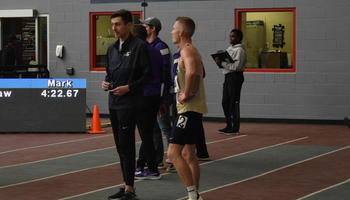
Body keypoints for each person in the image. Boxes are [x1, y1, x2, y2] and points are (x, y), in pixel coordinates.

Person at [101, 9, 153, 200]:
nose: (114, 28)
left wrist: (128, 88)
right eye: (112, 24)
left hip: (130, 104)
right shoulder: (111, 48)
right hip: (113, 103)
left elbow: (149, 76)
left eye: (117, 24)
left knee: (126, 145)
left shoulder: (140, 47)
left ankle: (130, 189)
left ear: (128, 25)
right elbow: (109, 73)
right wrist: (106, 83)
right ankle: (126, 186)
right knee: (120, 147)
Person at [167, 16, 208, 200]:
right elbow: (198, 74)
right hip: (191, 109)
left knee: (173, 153)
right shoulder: (191, 51)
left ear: (181, 32)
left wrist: (188, 93)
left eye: (174, 28)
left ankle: (193, 195)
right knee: (188, 154)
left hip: (188, 110)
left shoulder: (187, 51)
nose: (172, 31)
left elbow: (192, 72)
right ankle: (196, 194)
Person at [139, 17, 173, 170]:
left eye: (145, 26)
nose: (142, 28)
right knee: (153, 128)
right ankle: (157, 158)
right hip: (151, 92)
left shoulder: (161, 47)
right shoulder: (146, 46)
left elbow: (164, 71)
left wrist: (162, 97)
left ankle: (173, 158)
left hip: (159, 92)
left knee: (164, 126)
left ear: (153, 28)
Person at [133, 25, 164, 180]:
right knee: (148, 132)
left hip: (142, 95)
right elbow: (163, 75)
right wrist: (162, 100)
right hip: (154, 95)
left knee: (146, 134)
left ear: (136, 36)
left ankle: (151, 168)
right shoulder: (156, 52)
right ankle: (142, 164)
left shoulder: (138, 52)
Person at [215, 29, 246, 135]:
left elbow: (237, 66)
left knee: (234, 102)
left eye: (233, 36)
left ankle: (235, 127)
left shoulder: (240, 51)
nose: (230, 38)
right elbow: (227, 64)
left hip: (235, 77)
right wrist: (219, 63)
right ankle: (229, 125)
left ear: (238, 38)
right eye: (230, 36)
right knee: (225, 102)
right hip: (228, 76)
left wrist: (223, 63)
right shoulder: (230, 49)